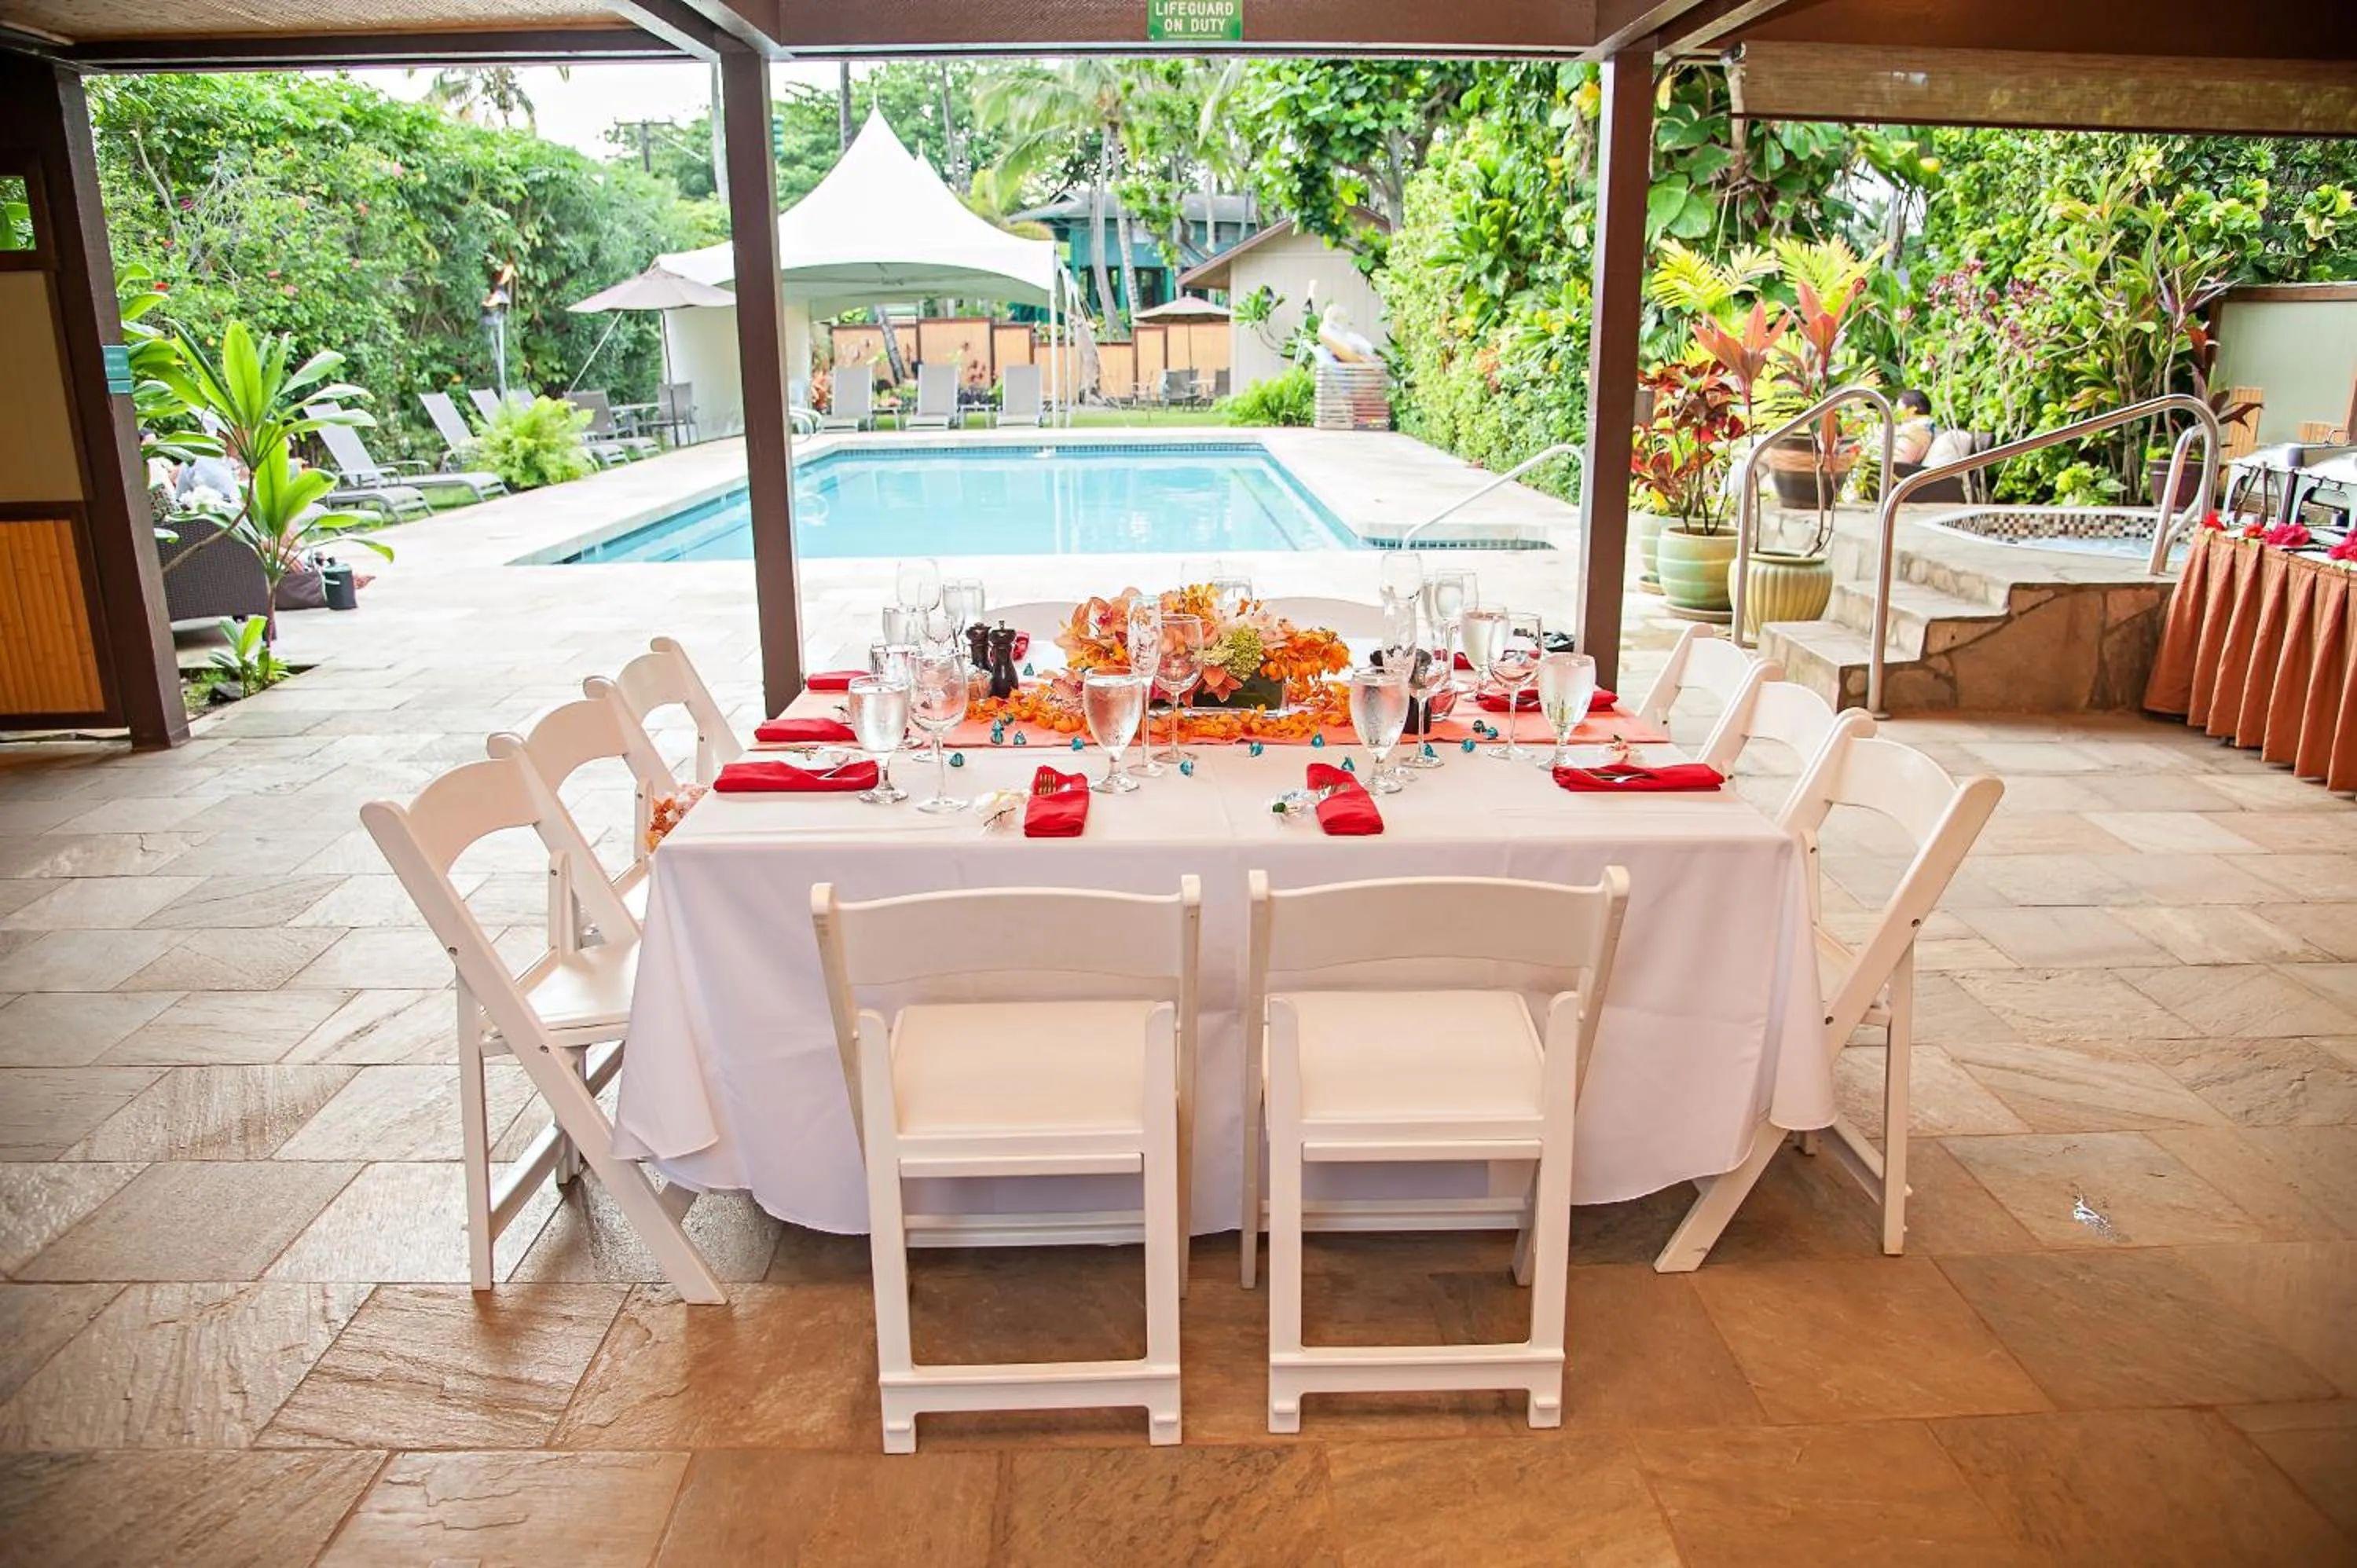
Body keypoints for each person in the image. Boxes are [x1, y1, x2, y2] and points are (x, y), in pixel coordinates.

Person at [1892, 388, 1936, 470]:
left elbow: (1898, 464)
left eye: (1899, 411)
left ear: (1912, 410)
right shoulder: (1924, 428)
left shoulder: (1916, 431)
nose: (1899, 416)